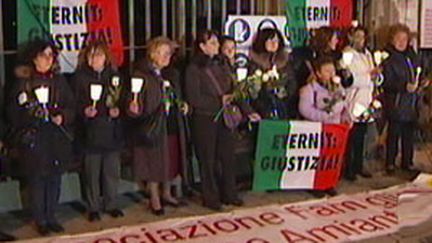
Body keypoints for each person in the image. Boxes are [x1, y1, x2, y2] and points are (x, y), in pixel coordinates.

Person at [185, 30, 260, 211]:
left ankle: (229, 193)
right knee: (208, 159)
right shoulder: (193, 68)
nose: (216, 46)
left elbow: (235, 89)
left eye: (216, 43)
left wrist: (247, 110)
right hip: (205, 119)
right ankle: (210, 197)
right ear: (202, 47)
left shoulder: (223, 63)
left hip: (225, 117)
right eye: (211, 43)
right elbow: (194, 98)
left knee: (227, 156)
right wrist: (219, 100)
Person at [7, 40, 75, 235]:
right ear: (34, 58)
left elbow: (71, 106)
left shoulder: (59, 81)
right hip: (35, 139)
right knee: (37, 180)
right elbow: (12, 113)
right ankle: (40, 219)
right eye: (43, 55)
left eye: (50, 55)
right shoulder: (24, 82)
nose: (47, 59)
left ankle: (51, 215)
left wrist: (63, 116)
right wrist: (29, 113)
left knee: (54, 179)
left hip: (55, 139)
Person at [127, 37, 188, 216]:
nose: (165, 56)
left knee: (169, 158)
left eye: (168, 53)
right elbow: (133, 102)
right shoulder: (141, 74)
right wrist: (134, 108)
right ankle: (154, 198)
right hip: (152, 124)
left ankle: (167, 193)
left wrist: (181, 104)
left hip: (170, 122)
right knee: (154, 162)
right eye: (161, 53)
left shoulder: (171, 74)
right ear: (152, 54)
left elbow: (176, 96)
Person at [72, 41, 124, 222]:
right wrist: (84, 111)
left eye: (99, 55)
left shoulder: (114, 76)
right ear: (86, 58)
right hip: (90, 131)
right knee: (91, 172)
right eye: (92, 55)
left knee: (111, 171)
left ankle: (111, 203)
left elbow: (122, 99)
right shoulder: (80, 77)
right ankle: (93, 206)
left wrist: (119, 110)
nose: (96, 59)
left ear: (106, 57)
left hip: (111, 130)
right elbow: (73, 103)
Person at [299, 56, 350, 196]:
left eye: (333, 71)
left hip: (334, 130)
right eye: (327, 71)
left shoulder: (338, 89)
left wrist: (346, 117)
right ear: (318, 73)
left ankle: (328, 182)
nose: (331, 75)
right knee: (317, 159)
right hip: (317, 129)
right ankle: (314, 185)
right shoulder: (309, 90)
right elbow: (305, 109)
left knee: (330, 159)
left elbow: (344, 105)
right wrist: (325, 116)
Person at [382, 24, 428, 174]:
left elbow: (418, 72)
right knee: (394, 134)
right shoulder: (388, 58)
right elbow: (386, 81)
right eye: (398, 39)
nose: (402, 42)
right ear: (392, 40)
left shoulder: (412, 56)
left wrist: (422, 82)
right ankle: (390, 162)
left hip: (411, 102)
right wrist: (403, 86)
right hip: (397, 100)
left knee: (409, 134)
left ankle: (407, 161)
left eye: (404, 39)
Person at [341, 26, 376, 181]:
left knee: (362, 134)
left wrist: (376, 77)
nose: (360, 40)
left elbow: (373, 74)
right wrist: (369, 77)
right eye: (357, 36)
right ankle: (348, 169)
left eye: (362, 37)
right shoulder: (348, 54)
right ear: (351, 37)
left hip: (366, 99)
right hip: (354, 98)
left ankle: (358, 165)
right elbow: (349, 79)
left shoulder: (368, 54)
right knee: (352, 135)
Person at [248, 28, 297, 119]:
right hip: (260, 105)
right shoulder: (255, 61)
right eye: (270, 40)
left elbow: (291, 81)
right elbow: (251, 86)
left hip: (283, 104)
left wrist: (285, 92)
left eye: (276, 40)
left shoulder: (285, 61)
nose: (274, 43)